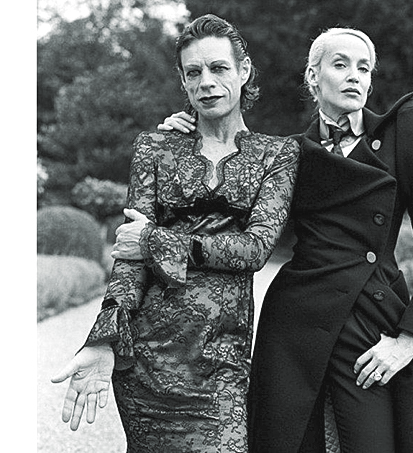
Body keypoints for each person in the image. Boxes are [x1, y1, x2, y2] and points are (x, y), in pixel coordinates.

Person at [161, 27, 413, 453]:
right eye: (340, 64)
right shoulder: (289, 155)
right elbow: (223, 214)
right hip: (293, 325)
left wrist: (410, 339)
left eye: (364, 68)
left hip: (373, 322)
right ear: (313, 77)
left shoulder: (405, 129)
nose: (354, 75)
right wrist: (188, 141)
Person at [50, 14, 299, 453]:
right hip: (147, 362)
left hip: (221, 360)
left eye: (218, 68)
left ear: (244, 71)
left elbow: (254, 249)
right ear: (183, 82)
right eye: (193, 72)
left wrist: (155, 240)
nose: (206, 82)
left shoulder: (276, 154)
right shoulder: (155, 147)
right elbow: (129, 260)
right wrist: (103, 339)